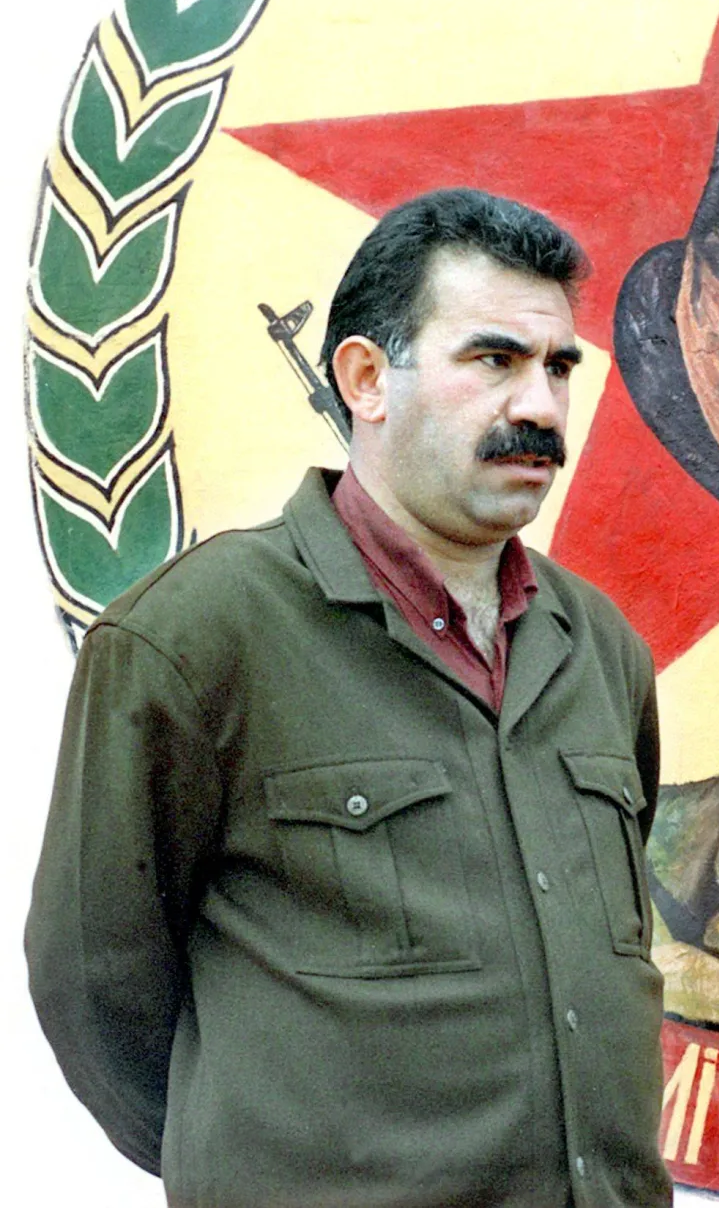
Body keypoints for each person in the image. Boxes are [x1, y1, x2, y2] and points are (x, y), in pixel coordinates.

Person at [26, 189, 672, 1208]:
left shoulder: (599, 649)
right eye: (493, 360)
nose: (542, 409)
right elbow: (95, 986)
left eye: (558, 368)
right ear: (367, 379)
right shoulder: (195, 638)